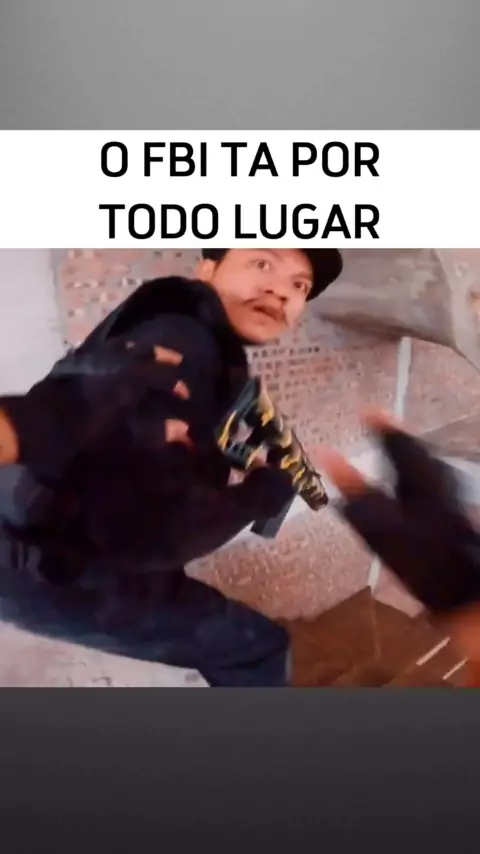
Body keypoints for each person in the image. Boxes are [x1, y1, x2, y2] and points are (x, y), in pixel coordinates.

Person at [0, 247, 343, 687]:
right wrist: (265, 491)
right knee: (258, 650)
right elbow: (160, 535)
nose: (281, 292)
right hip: (55, 567)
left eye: (300, 285)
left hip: (32, 518)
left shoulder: (172, 321)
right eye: (263, 264)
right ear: (207, 269)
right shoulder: (186, 344)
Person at [317, 409, 480, 682]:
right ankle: (325, 445)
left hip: (448, 582)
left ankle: (322, 446)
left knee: (394, 497)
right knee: (402, 490)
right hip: (452, 572)